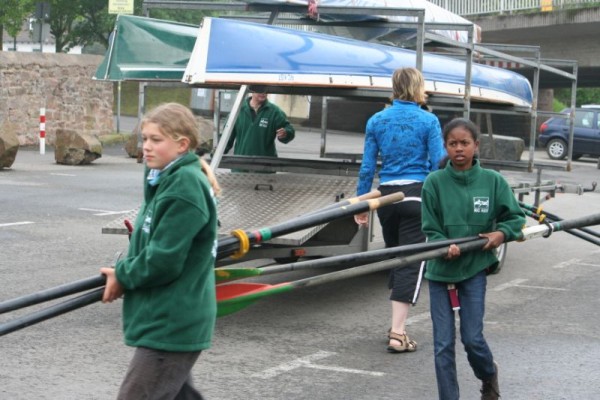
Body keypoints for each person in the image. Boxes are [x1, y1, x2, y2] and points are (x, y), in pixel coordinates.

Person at [100, 102, 219, 400]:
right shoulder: (165, 181)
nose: (147, 147)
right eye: (145, 139)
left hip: (171, 321)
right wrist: (123, 272)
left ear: (182, 145)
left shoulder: (183, 187)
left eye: (156, 140)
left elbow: (164, 260)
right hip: (167, 314)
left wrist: (123, 275)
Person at [421, 118, 526, 400]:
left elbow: (516, 218)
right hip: (441, 269)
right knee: (443, 344)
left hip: (474, 268)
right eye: (453, 143)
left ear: (476, 146)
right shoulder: (434, 182)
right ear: (445, 146)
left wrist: (501, 234)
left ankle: (488, 373)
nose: (459, 149)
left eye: (465, 143)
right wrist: (445, 244)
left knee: (472, 339)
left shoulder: (493, 181)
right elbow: (430, 228)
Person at [354, 67, 446, 353]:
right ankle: (398, 332)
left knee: (397, 257)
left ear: (394, 88)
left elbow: (368, 166)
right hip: (416, 195)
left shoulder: (376, 120)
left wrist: (361, 204)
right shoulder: (429, 120)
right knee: (411, 262)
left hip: (385, 199)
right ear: (419, 88)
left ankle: (397, 322)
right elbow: (438, 164)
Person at [224, 85, 295, 157]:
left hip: (266, 165)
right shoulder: (238, 110)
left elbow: (289, 129)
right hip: (241, 164)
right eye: (260, 90)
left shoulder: (274, 112)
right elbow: (226, 137)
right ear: (252, 90)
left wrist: (286, 133)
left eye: (266, 90)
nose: (263, 93)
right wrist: (216, 154)